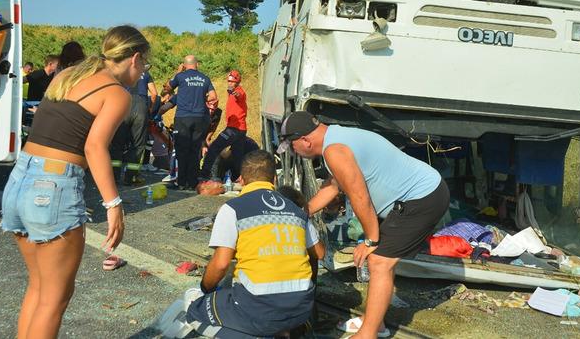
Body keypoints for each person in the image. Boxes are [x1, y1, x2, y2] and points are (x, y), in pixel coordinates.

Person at [0, 25, 150, 339]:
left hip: (18, 181)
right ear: (134, 59)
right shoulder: (117, 94)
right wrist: (114, 204)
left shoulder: (66, 76)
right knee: (55, 299)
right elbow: (94, 146)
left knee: (39, 289)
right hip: (52, 187)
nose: (143, 72)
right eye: (145, 65)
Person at [277, 111, 449, 338]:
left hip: (423, 198)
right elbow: (332, 186)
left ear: (305, 140)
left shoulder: (335, 151)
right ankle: (374, 323)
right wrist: (302, 212)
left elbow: (360, 197)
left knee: (379, 262)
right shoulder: (335, 137)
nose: (294, 153)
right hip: (418, 194)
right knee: (381, 260)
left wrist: (370, 239)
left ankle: (369, 333)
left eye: (292, 147)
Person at [161, 150, 323, 338]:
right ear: (274, 180)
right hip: (301, 309)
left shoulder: (233, 209)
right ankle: (283, 331)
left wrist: (205, 289)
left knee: (195, 312)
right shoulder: (296, 210)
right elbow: (319, 253)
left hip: (256, 307)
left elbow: (221, 264)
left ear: (242, 180)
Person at [163, 55, 217, 189]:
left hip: (183, 118)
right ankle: (193, 183)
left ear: (184, 65)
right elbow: (213, 97)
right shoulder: (205, 78)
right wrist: (200, 97)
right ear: (197, 65)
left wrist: (177, 72)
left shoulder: (180, 76)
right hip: (199, 118)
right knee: (194, 150)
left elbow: (167, 89)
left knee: (182, 151)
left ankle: (181, 183)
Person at [198, 69, 247, 181]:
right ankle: (238, 178)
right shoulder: (230, 92)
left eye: (232, 81)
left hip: (233, 130)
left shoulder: (239, 91)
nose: (230, 83)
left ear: (237, 82)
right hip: (241, 130)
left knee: (214, 148)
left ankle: (205, 174)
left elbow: (239, 95)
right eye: (228, 81)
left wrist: (235, 92)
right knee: (237, 156)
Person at [110, 69, 156, 185]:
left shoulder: (121, 71)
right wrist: (149, 109)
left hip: (123, 104)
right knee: (138, 145)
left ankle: (114, 177)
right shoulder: (145, 73)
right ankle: (130, 178)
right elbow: (154, 94)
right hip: (141, 106)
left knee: (117, 145)